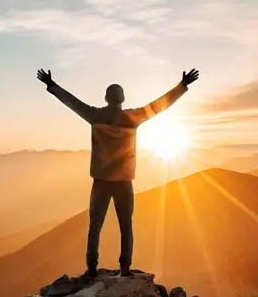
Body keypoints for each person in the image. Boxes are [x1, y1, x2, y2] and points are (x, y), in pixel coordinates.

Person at [37, 67, 199, 278]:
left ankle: (92, 269)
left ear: (106, 98)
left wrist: (52, 85)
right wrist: (182, 85)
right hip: (124, 182)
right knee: (126, 226)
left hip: (101, 181)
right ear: (122, 99)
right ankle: (125, 269)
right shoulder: (132, 118)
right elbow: (159, 106)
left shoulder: (95, 115)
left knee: (95, 226)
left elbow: (72, 102)